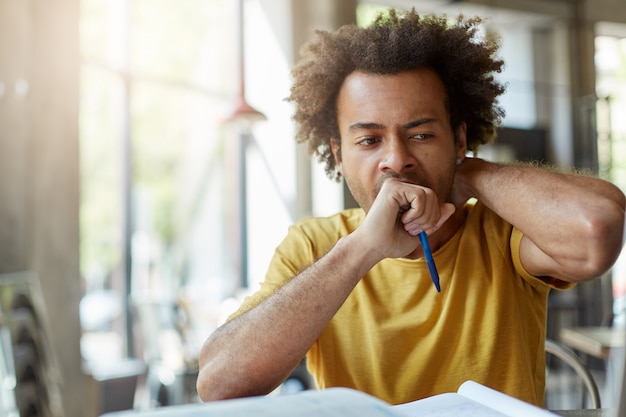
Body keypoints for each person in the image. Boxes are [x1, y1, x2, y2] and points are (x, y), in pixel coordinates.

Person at [196, 8, 626, 407]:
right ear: (339, 154)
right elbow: (218, 385)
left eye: (421, 135)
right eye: (369, 140)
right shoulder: (314, 245)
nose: (396, 158)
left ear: (459, 139)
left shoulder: (502, 232)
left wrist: (468, 173)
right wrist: (362, 247)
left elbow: (598, 228)